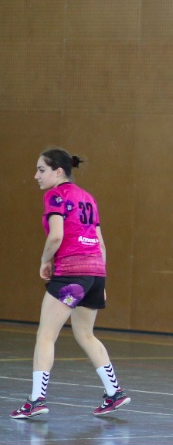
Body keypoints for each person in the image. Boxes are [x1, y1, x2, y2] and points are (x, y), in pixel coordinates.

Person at [10, 149, 131, 420]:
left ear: (58, 171)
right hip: (94, 273)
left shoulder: (55, 196)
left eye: (41, 170)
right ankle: (114, 392)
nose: (36, 176)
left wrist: (45, 261)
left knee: (46, 335)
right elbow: (100, 244)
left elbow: (56, 236)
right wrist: (100, 281)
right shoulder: (88, 198)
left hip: (71, 274)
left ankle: (36, 400)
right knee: (86, 334)